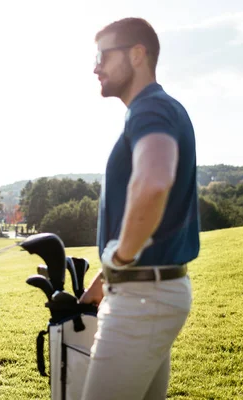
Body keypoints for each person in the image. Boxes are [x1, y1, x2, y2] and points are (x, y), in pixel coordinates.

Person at [79, 18, 200, 400]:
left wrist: (119, 259)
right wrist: (104, 280)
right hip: (152, 293)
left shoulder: (149, 109)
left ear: (137, 54)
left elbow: (153, 183)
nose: (95, 66)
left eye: (102, 55)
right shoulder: (162, 108)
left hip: (142, 303)